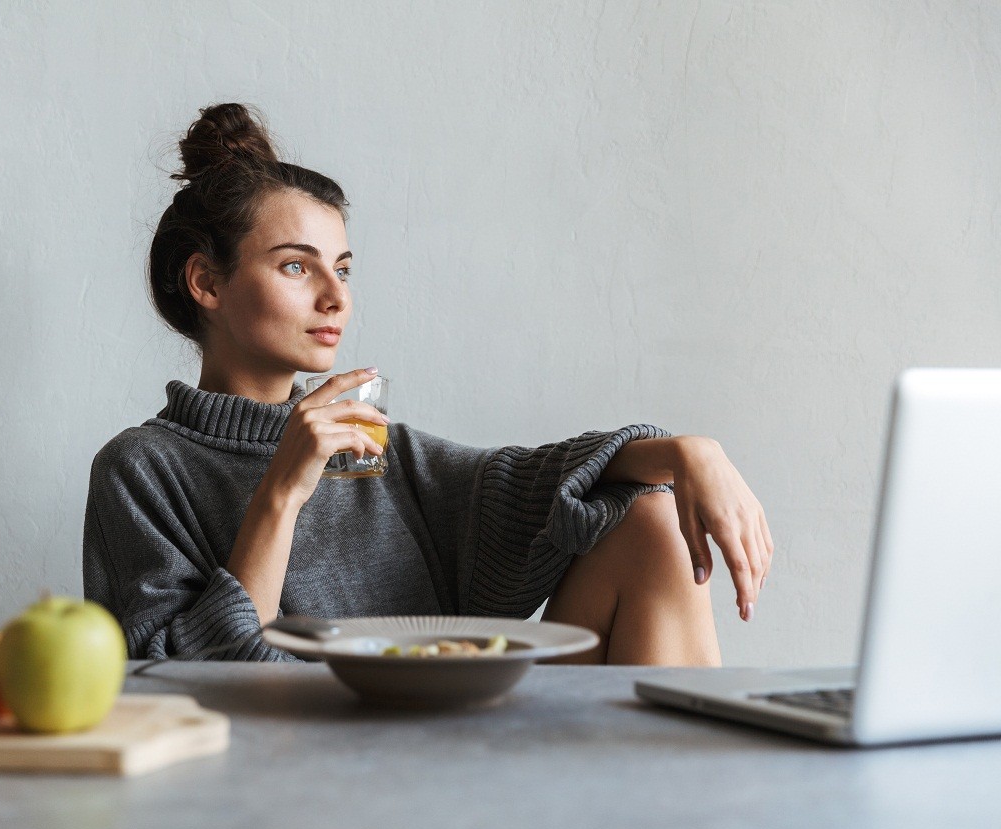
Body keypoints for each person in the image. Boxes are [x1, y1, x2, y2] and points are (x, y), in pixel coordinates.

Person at [83, 103, 772, 665]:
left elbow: (540, 482)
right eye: (297, 267)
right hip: (289, 787)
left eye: (343, 269)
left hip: (448, 754)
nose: (335, 297)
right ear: (206, 280)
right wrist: (281, 491)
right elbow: (180, 683)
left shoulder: (379, 451)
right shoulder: (142, 469)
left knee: (651, 518)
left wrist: (688, 452)